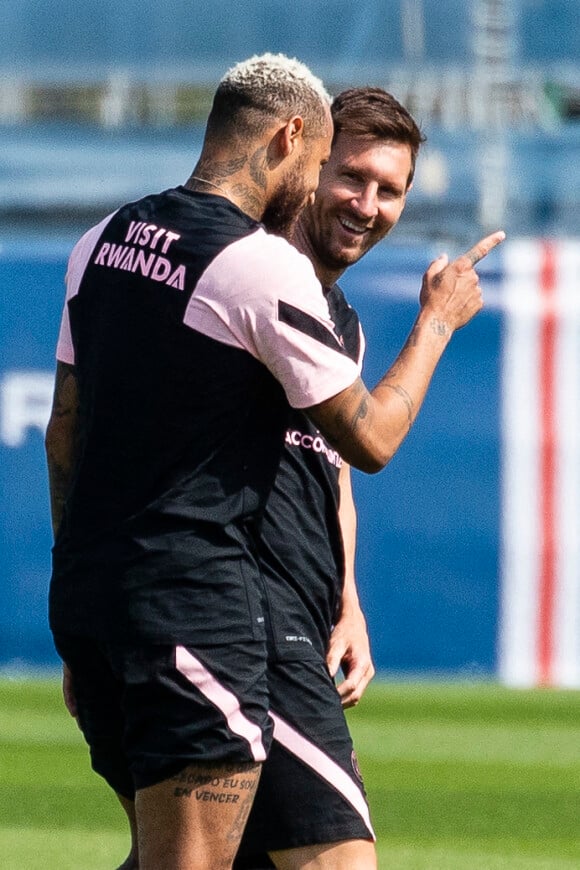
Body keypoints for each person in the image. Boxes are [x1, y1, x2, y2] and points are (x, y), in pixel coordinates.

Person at [47, 54, 504, 870]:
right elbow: (371, 442)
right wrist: (436, 321)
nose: (366, 206)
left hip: (153, 611)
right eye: (347, 174)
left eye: (390, 190)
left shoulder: (115, 241)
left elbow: (319, 471)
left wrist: (347, 598)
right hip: (227, 622)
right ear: (301, 145)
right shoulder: (259, 274)